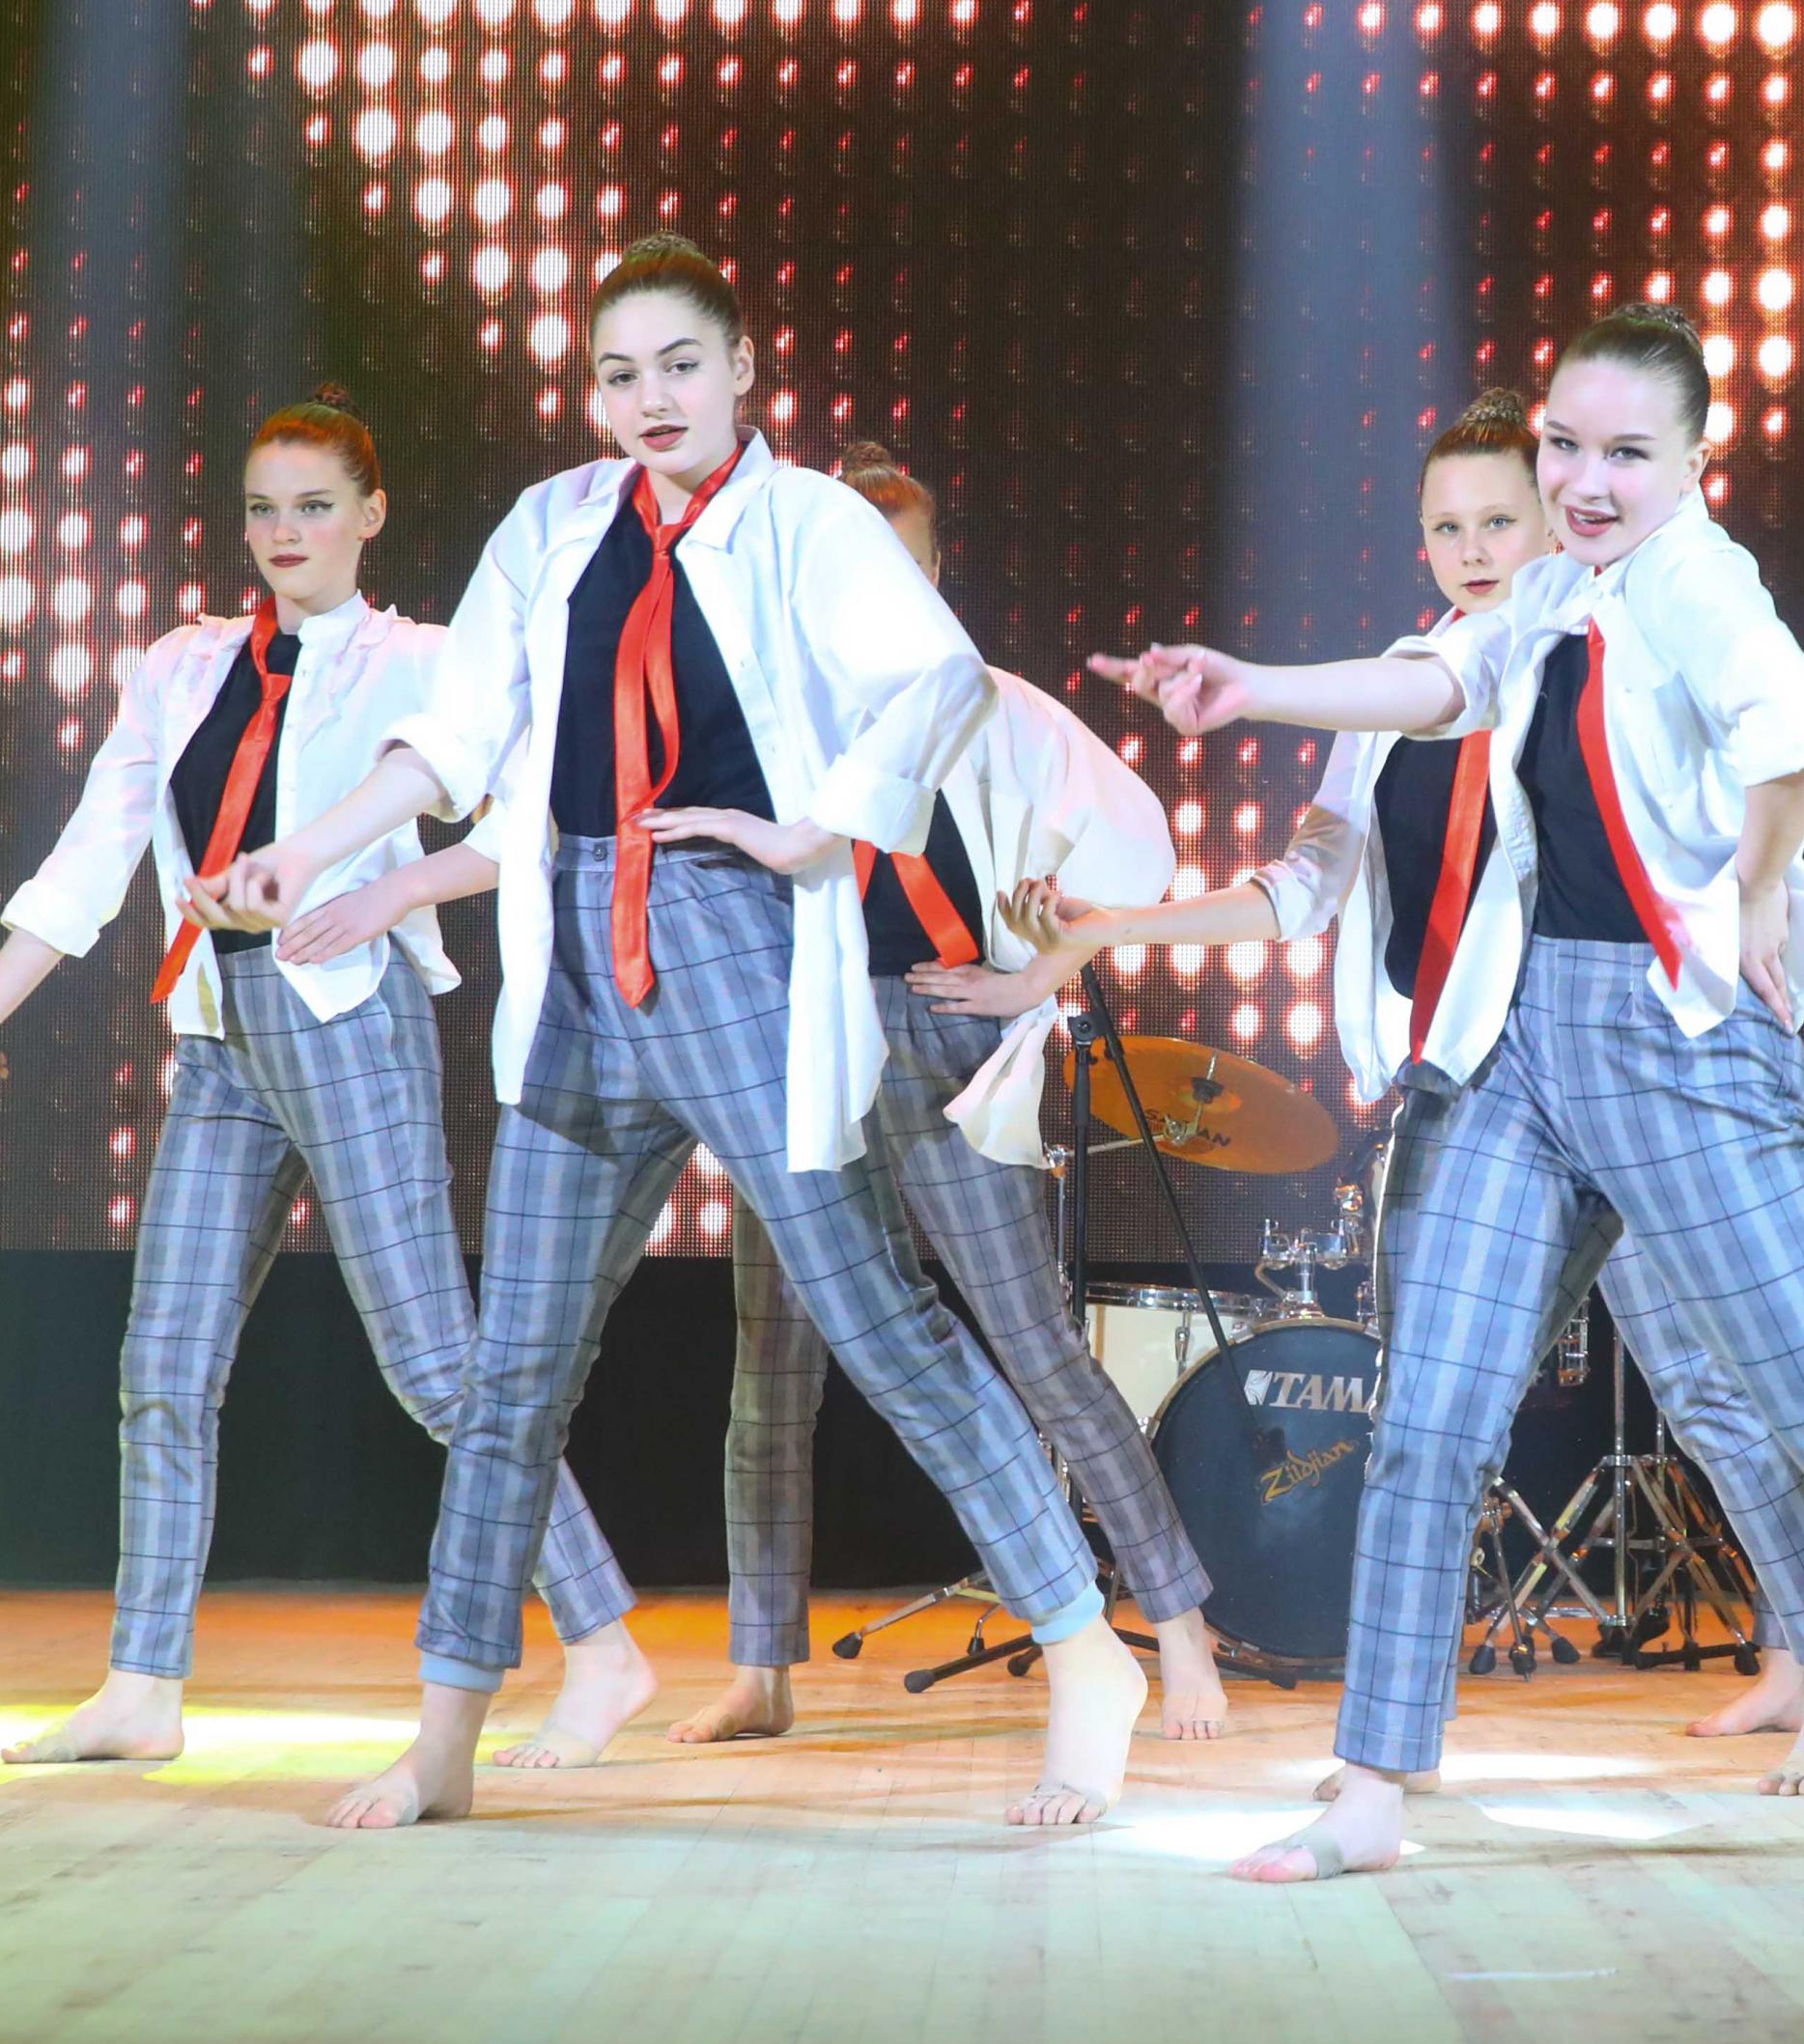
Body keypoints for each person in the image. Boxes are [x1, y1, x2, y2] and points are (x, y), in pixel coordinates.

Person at [1096, 307, 1804, 1882]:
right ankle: (1370, 1789)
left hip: (1676, 1049)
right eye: (1565, 444)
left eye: (1625, 452)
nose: (1583, 478)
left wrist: (1765, 884)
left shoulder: (1701, 585)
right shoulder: (1556, 589)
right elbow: (1437, 687)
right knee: (1431, 1416)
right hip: (1520, 1044)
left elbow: (1793, 738)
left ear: (1695, 460)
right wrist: (1249, 687)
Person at [215, 234, 1139, 1833]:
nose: (650, 398)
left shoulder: (811, 522)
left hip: (727, 937)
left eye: (680, 365)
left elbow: (936, 680)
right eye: (619, 373)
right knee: (514, 1368)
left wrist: (821, 827)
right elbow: (458, 734)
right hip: (576, 954)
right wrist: (318, 846)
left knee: (879, 1320)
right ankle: (444, 1733)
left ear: (743, 367)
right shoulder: (553, 522)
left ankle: (1084, 1649)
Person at [286, 451, 1231, 1748]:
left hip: (936, 1028)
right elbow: (549, 818)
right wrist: (385, 879)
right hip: (778, 1023)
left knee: (1024, 1340)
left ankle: (1174, 1628)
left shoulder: (990, 706)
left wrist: (1037, 974)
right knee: (771, 1363)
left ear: (926, 575)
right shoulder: (756, 687)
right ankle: (761, 1663)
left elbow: (1137, 845)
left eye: (899, 565)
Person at [1015, 390, 1804, 1780]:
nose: (1474, 551)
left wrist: (1763, 910)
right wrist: (1117, 928)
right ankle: (1396, 1743)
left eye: (1500, 521)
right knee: (1430, 1418)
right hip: (1473, 1096)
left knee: (1716, 1391)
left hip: (1635, 1069)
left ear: (1556, 524)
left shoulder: (1613, 655)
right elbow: (1305, 881)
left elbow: (1769, 777)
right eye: (1446, 528)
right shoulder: (1391, 696)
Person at [0, 388, 655, 1772]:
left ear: (371, 514)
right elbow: (92, 851)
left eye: (314, 504)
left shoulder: (423, 661)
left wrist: (386, 894)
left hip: (349, 1017)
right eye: (263, 507)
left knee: (436, 1362)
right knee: (164, 1361)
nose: (285, 530)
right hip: (220, 1034)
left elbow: (525, 813)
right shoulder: (182, 665)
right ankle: (142, 1683)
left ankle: (603, 1642)